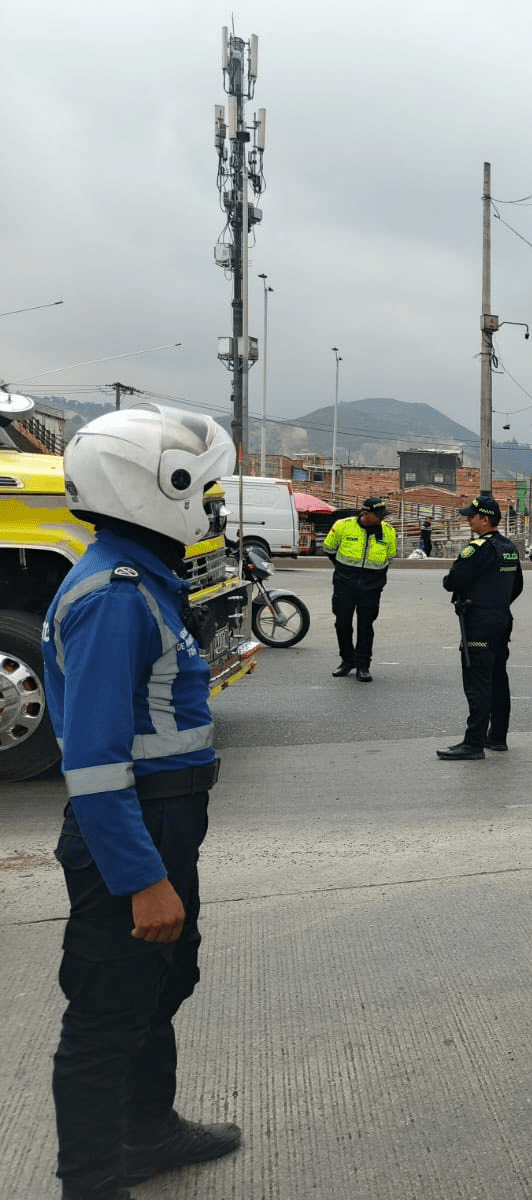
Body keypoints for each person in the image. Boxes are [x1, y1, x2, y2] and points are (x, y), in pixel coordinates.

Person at [43, 405, 243, 1200]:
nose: (214, 507)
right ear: (155, 488)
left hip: (166, 819)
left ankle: (147, 1131)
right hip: (132, 829)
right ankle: (92, 1182)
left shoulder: (145, 581)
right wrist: (141, 878)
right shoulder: (115, 598)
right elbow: (94, 764)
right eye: (205, 491)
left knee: (161, 984)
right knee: (106, 1013)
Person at [437, 496, 525, 760]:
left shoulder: (478, 549)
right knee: (498, 678)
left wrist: (483, 604)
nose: (468, 520)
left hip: (479, 622)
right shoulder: (508, 547)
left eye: (472, 516)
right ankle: (497, 737)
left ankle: (473, 743)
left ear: (485, 520)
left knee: (478, 682)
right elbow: (517, 585)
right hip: (501, 618)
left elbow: (452, 581)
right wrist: (497, 604)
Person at [323, 496, 399, 682]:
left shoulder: (388, 531)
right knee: (342, 624)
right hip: (345, 584)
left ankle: (363, 665)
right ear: (365, 513)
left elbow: (390, 557)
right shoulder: (343, 526)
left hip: (371, 587)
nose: (382, 518)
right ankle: (347, 660)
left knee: (366, 627)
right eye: (378, 515)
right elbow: (329, 548)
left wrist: (376, 579)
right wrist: (344, 571)